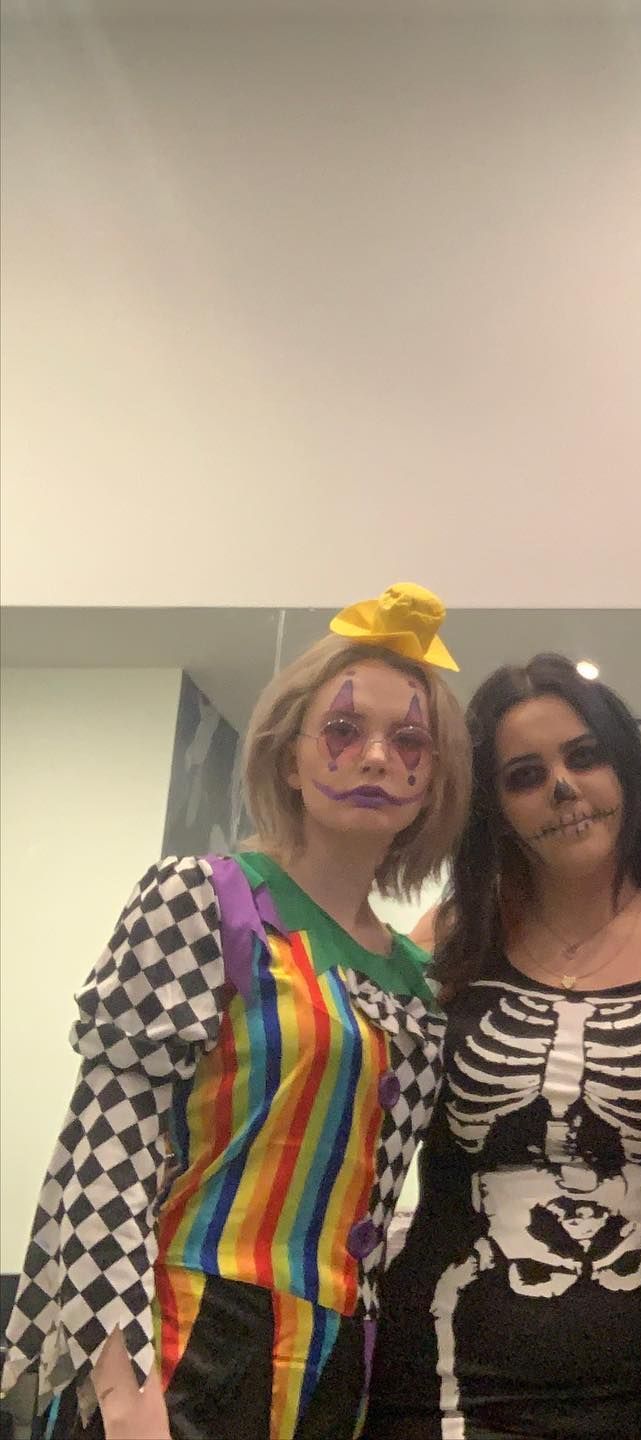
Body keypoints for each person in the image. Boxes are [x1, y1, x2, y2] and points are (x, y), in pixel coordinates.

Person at [0, 582, 472, 1439]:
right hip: (185, 1335)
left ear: (434, 779)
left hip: (339, 1355)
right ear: (289, 756)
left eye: (409, 740)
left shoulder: (416, 980)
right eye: (342, 729)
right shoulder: (202, 901)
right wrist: (124, 1393)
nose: (375, 757)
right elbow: (108, 1157)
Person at [362, 654, 641, 1440]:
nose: (563, 788)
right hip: (445, 1386)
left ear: (626, 770)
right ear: (494, 807)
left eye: (584, 755)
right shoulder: (446, 945)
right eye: (525, 775)